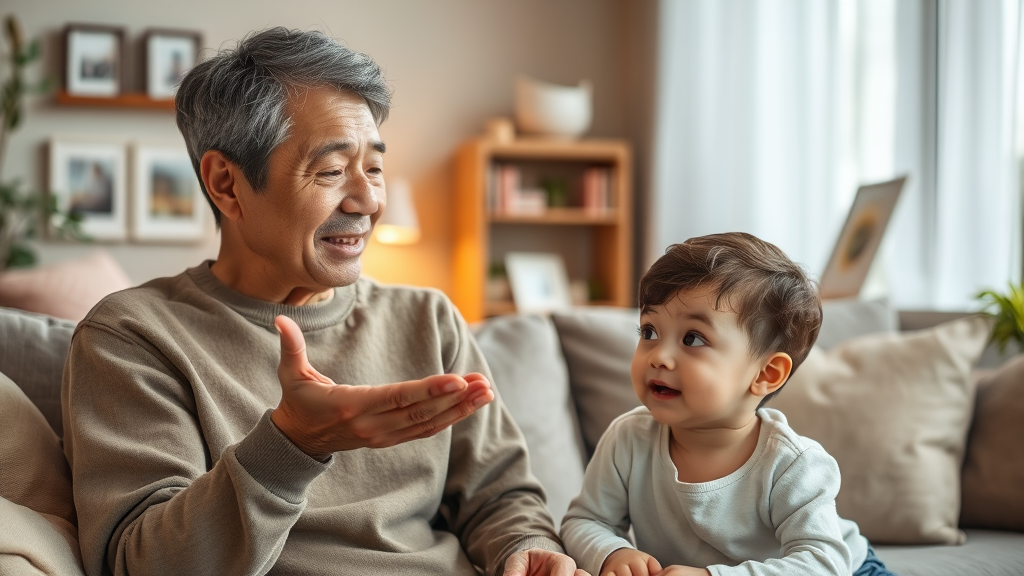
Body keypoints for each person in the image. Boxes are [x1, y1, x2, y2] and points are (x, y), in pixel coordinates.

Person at [62, 27, 587, 576]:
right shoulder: (132, 336)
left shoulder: (426, 320)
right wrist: (292, 444)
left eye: (375, 168)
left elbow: (499, 497)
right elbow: (142, 563)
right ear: (227, 184)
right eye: (333, 171)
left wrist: (524, 546)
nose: (367, 201)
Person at [560, 232, 896, 576]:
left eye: (692, 338)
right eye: (649, 332)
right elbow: (585, 520)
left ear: (766, 373)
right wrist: (610, 552)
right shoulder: (628, 440)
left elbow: (823, 564)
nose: (659, 356)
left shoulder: (793, 465)